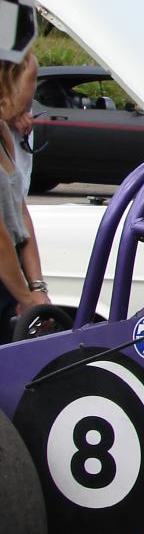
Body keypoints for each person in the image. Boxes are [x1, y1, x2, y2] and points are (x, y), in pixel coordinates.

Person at [0, 52, 48, 342]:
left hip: (9, 279)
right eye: (32, 81)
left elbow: (19, 214)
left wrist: (37, 286)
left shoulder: (4, 133)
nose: (31, 100)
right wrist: (27, 298)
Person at [6, 51, 36, 194]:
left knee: (12, 195)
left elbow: (13, 110)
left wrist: (12, 113)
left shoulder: (26, 61)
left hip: (11, 153)